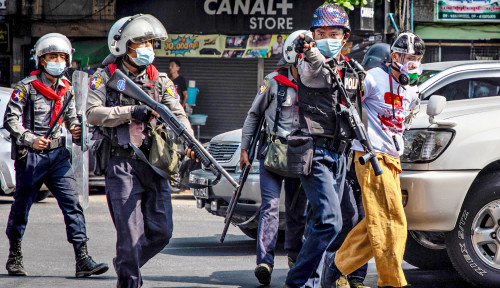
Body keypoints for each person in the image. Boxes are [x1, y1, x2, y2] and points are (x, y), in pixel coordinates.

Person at [86, 14, 192, 288]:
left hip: (156, 165)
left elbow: (179, 116)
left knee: (162, 232)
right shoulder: (104, 78)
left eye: (150, 42)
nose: (148, 48)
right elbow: (92, 113)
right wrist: (131, 111)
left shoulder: (161, 80)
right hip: (122, 164)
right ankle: (129, 277)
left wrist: (192, 142)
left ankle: (125, 262)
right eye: (140, 42)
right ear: (122, 46)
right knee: (130, 237)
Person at [3, 33, 108, 277]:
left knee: (73, 204)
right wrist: (30, 138)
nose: (58, 61)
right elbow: (11, 120)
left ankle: (82, 260)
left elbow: (72, 118)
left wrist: (76, 127)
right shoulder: (25, 88)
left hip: (58, 156)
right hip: (30, 157)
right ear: (41, 60)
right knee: (22, 207)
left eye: (62, 57)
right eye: (52, 57)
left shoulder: (67, 89)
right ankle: (14, 255)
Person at [327, 31, 425, 288]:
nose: (413, 63)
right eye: (409, 57)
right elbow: (346, 102)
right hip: (370, 156)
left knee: (378, 222)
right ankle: (392, 282)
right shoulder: (373, 79)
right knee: (395, 222)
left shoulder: (412, 89)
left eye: (417, 58)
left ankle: (337, 266)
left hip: (394, 159)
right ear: (395, 56)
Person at [283, 4, 364, 288]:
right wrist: (308, 47)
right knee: (329, 221)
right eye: (321, 33)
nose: (328, 37)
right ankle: (297, 281)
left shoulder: (353, 70)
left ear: (345, 37)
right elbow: (318, 69)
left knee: (348, 217)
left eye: (334, 33)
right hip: (314, 153)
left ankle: (326, 275)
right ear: (312, 36)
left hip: (341, 154)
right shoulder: (309, 63)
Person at [240, 30, 308, 286]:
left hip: (302, 156)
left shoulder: (319, 84)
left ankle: (295, 257)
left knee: (296, 212)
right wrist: (244, 148)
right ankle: (264, 262)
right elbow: (253, 115)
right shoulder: (273, 82)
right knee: (269, 208)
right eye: (302, 57)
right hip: (272, 155)